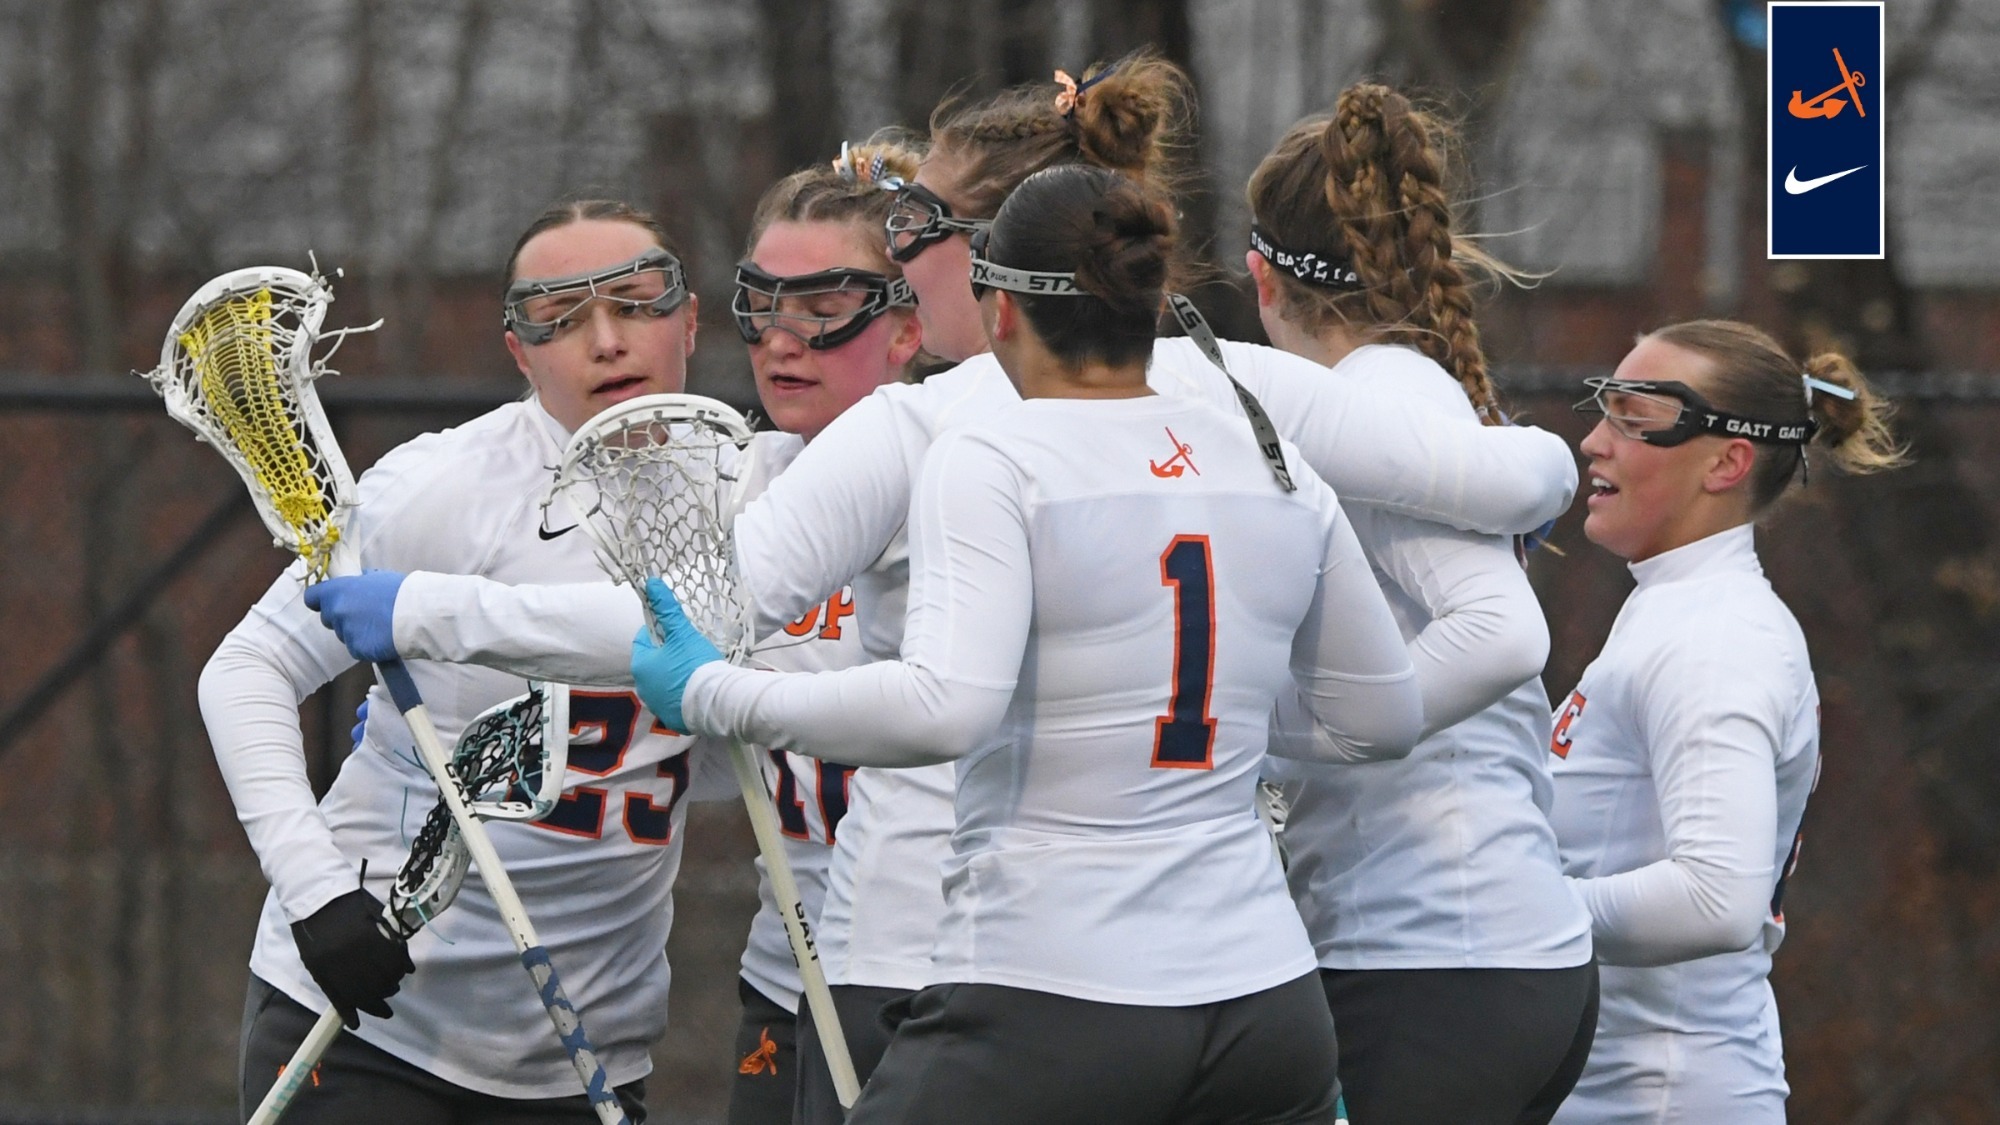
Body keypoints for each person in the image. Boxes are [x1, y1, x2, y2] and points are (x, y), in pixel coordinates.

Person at [333, 51, 1580, 1120]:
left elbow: (762, 645)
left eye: (915, 228)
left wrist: (436, 612)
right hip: (1245, 991)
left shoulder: (940, 431)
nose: (890, 251)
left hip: (967, 968)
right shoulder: (1242, 396)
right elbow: (1506, 486)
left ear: (1000, 255)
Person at [633, 163, 1425, 1125]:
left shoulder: (992, 452)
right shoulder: (1272, 458)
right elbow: (1382, 716)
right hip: (1266, 1006)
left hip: (1053, 994)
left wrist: (715, 692)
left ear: (999, 310)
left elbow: (944, 704)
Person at [204, 199, 712, 1122]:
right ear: (520, 353)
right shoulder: (441, 487)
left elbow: (715, 728)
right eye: (559, 320)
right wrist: (316, 894)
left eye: (637, 302)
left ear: (691, 318)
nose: (606, 341)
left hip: (583, 1048)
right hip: (371, 1019)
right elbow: (246, 670)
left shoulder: (757, 490)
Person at [1242, 84, 1598, 1125]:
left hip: (1433, 959)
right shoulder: (1404, 395)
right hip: (1469, 959)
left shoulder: (1376, 402)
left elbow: (1498, 634)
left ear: (1261, 279)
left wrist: (1279, 734)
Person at [1548, 320, 1905, 1124]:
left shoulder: (1715, 639)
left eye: (1636, 419)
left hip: (1658, 1097)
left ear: (1727, 461)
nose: (1594, 443)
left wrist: (1509, 914)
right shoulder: (1675, 607)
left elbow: (1716, 896)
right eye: (1605, 410)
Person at [720, 137, 923, 1125]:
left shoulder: (968, 479)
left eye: (824, 310)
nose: (780, 341)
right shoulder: (727, 481)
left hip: (932, 969)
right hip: (786, 966)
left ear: (911, 323)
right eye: (761, 305)